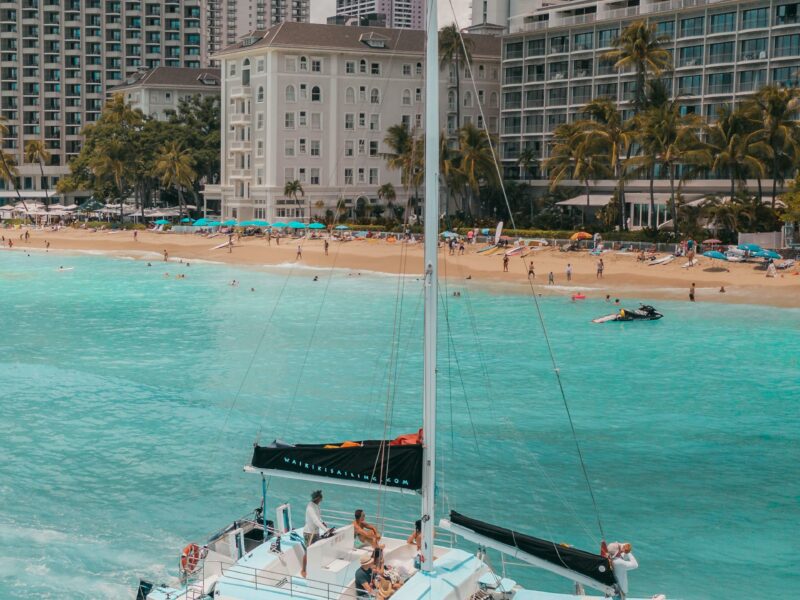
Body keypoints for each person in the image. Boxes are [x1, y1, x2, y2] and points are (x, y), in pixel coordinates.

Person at [302, 490, 326, 577]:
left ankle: (313, 568)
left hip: (315, 532)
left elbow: (319, 518)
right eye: (321, 498)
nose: (322, 499)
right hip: (309, 533)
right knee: (308, 552)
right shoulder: (310, 507)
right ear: (318, 498)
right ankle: (303, 570)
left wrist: (323, 524)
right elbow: (315, 520)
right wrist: (325, 530)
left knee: (315, 551)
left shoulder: (316, 506)